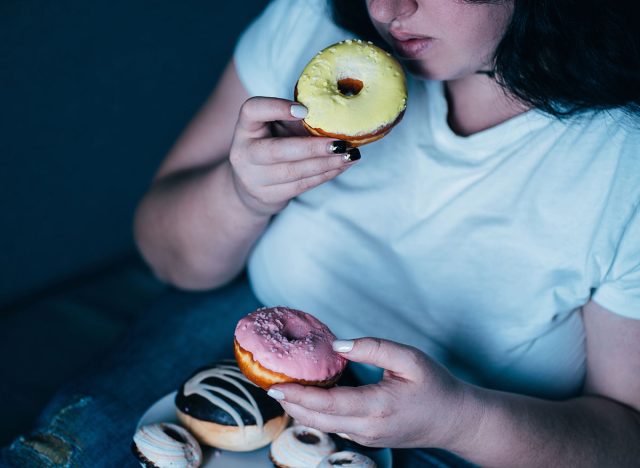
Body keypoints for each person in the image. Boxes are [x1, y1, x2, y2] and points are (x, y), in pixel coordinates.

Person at [4, 0, 638, 466]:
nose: (387, 10)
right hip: (248, 323)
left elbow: (623, 437)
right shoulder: (311, 24)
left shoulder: (621, 158)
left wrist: (460, 422)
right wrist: (242, 193)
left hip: (477, 429)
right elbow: (172, 260)